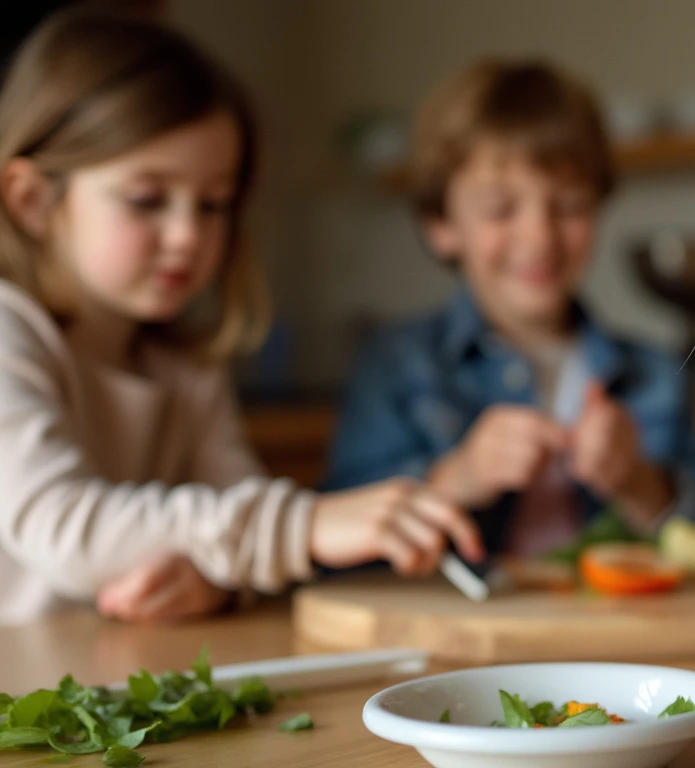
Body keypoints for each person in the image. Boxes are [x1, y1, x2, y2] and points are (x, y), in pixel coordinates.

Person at [0, 9, 480, 626]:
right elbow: (65, 527)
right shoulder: (9, 334)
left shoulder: (186, 368)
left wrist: (216, 584)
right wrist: (304, 525)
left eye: (214, 204)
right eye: (147, 200)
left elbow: (237, 529)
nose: (187, 235)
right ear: (32, 199)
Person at [324, 60, 695, 558]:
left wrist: (640, 483)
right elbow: (335, 550)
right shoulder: (394, 365)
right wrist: (457, 480)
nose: (539, 237)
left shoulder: (655, 376)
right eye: (501, 209)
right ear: (441, 224)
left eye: (567, 206)